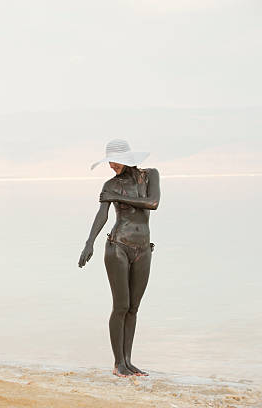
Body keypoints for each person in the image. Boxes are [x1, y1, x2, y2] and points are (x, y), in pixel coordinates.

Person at [78, 139, 160, 377]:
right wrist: (88, 243)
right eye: (109, 161)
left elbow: (152, 203)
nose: (111, 165)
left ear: (127, 159)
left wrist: (120, 199)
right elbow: (102, 214)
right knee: (121, 306)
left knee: (134, 308)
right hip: (118, 247)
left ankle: (128, 361)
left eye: (114, 161)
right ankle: (118, 364)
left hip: (143, 248)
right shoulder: (109, 185)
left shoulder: (150, 176)